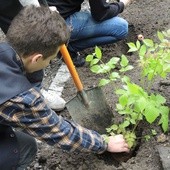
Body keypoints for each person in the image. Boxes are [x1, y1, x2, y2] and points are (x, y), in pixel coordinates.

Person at [0, 5, 129, 170]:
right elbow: (60, 132)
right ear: (36, 58)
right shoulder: (21, 98)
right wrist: (104, 143)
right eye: (51, 60)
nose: (50, 63)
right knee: (25, 149)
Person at [0, 0, 132, 67]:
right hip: (56, 23)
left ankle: (61, 47)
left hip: (35, 19)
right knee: (120, 28)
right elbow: (101, 13)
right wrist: (122, 4)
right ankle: (67, 47)